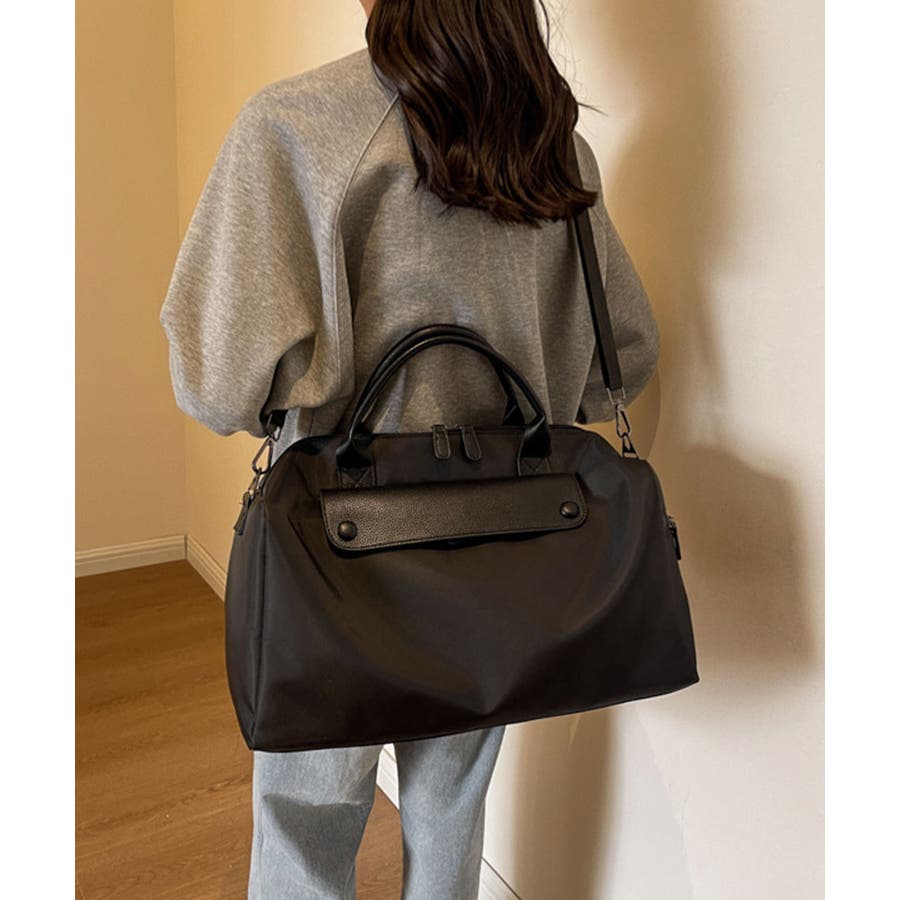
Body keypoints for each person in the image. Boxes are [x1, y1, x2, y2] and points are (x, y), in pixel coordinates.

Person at [159, 1, 660, 897]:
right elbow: (622, 357)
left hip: (337, 550)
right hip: (506, 547)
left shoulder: (298, 125)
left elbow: (215, 379)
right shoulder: (553, 145)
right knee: (452, 797)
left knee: (308, 806)